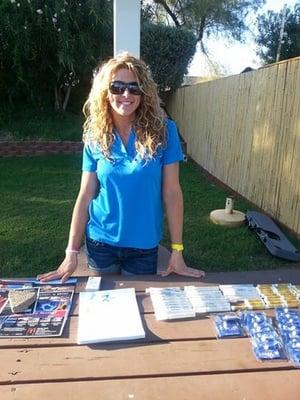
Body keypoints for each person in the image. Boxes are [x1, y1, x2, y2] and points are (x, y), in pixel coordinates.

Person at [37, 52, 205, 282]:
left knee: (140, 310)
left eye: (134, 88)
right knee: (104, 308)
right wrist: (71, 253)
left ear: (143, 93)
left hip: (143, 247)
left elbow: (172, 193)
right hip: (100, 244)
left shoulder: (164, 131)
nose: (126, 94)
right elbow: (85, 196)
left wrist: (177, 250)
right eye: (117, 87)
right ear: (106, 92)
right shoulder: (95, 135)